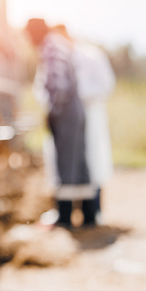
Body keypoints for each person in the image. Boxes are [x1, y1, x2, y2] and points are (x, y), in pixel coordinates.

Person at [26, 18, 93, 228]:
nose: (29, 41)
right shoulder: (57, 44)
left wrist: (52, 112)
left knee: (65, 161)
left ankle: (65, 217)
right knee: (78, 161)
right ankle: (88, 215)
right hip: (73, 108)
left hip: (66, 111)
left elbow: (59, 85)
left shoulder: (51, 47)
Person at [53, 24, 115, 224]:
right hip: (64, 122)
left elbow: (106, 84)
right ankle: (65, 214)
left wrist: (76, 96)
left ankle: (91, 213)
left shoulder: (91, 56)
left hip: (89, 118)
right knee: (64, 166)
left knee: (91, 162)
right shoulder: (53, 59)